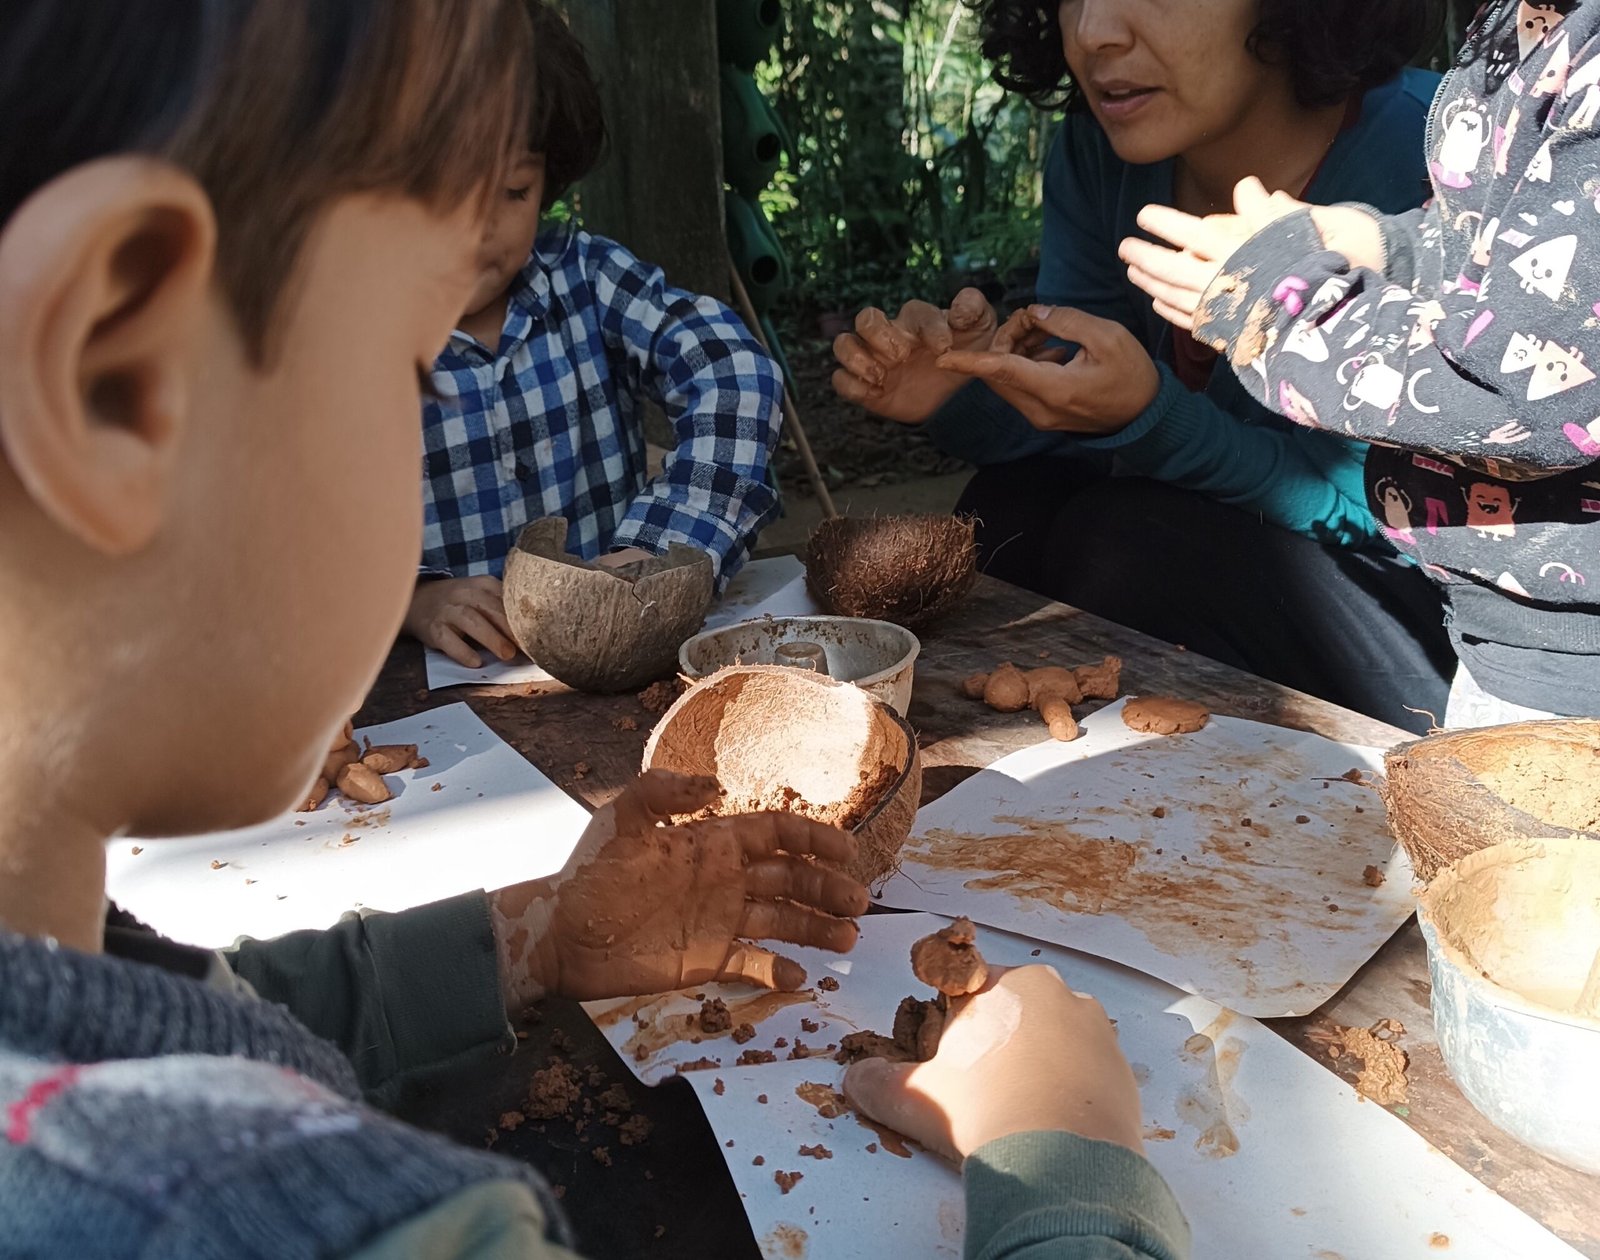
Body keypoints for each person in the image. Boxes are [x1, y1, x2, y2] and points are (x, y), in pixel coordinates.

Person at [0, 2, 1187, 1256]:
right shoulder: (352, 1227)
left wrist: (531, 941)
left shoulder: (65, 968)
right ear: (117, 377)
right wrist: (1066, 1166)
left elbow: (222, 1010)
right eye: (405, 369)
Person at [833, 0, 1454, 732]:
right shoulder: (1101, 146)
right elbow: (1086, 418)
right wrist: (965, 388)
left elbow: (1390, 512)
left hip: (1435, 611)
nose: (1093, 32)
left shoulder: (1440, 159)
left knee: (1129, 541)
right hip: (1223, 544)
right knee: (1008, 509)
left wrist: (1152, 419)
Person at [1120, 0, 1600, 727]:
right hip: (1505, 625)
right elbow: (1502, 256)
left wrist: (1281, 305)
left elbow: (1530, 386)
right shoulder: (1523, 22)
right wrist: (1382, 246)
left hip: (1570, 667)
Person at [404, 0, 783, 670]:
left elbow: (735, 374)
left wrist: (660, 549)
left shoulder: (586, 280)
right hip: (448, 699)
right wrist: (412, 600)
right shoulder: (333, 348)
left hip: (624, 672)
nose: (475, 229)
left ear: (548, 180)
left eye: (512, 191)